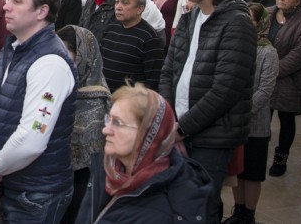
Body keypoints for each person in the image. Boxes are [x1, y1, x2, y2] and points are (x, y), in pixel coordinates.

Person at [0, 0, 77, 222]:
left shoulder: (51, 62)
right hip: (6, 185)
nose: (5, 5)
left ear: (41, 11)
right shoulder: (12, 47)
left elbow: (32, 138)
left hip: (34, 193)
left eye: (17, 1)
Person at [158, 0, 256, 223]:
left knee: (201, 206)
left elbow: (227, 88)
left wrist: (183, 127)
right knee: (177, 204)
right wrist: (170, 119)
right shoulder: (190, 18)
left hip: (212, 135)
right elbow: (169, 70)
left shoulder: (236, 22)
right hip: (179, 127)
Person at [75, 83, 212, 224]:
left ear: (148, 135)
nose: (105, 130)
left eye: (117, 122)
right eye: (108, 120)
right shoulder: (109, 171)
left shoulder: (163, 211)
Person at [224, 3, 279, 224]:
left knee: (253, 172)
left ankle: (249, 214)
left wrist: (244, 109)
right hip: (234, 121)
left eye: (251, 19)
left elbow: (265, 89)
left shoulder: (268, 52)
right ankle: (237, 210)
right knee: (237, 170)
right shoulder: (234, 45)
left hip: (255, 121)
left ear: (261, 23)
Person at [56, 26, 111, 224]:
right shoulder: (55, 87)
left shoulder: (98, 98)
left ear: (84, 55)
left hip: (85, 183)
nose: (61, 57)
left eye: (67, 51)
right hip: (56, 179)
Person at [265, 0, 301, 177]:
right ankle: (260, 150)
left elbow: (300, 55)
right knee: (262, 118)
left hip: (291, 80)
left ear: (298, 0)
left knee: (286, 120)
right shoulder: (267, 14)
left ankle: (281, 158)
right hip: (265, 79)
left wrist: (271, 70)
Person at [99, 0, 164, 92]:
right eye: (116, 2)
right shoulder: (111, 28)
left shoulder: (150, 38)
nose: (118, 7)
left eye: (125, 3)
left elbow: (153, 80)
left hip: (131, 103)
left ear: (139, 9)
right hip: (106, 97)